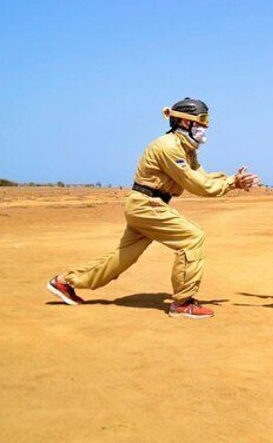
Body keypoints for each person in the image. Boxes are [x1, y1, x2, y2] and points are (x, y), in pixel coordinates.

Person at [46, 98, 260, 319]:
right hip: (147, 205)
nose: (206, 126)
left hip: (145, 205)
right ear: (184, 122)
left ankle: (65, 282)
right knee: (193, 238)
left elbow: (202, 176)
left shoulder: (186, 149)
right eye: (202, 121)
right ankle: (182, 303)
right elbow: (198, 185)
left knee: (121, 258)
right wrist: (232, 183)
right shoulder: (168, 147)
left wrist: (232, 179)